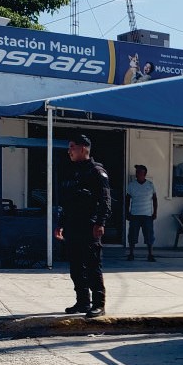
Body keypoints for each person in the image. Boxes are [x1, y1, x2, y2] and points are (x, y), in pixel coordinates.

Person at [55, 135, 112, 317]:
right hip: (73, 225)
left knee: (93, 266)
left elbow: (105, 201)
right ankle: (82, 302)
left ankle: (98, 304)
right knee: (76, 267)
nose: (69, 150)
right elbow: (68, 201)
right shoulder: (71, 171)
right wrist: (61, 224)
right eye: (69, 147)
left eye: (73, 146)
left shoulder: (96, 171)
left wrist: (100, 223)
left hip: (89, 225)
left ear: (84, 149)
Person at [125, 163, 158, 262]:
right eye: (136, 172)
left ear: (144, 174)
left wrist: (155, 212)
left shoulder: (150, 185)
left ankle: (150, 255)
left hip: (147, 215)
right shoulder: (131, 185)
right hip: (135, 215)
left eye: (139, 172)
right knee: (132, 235)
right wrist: (127, 212)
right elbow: (127, 200)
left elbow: (155, 199)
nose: (137, 174)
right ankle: (131, 254)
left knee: (149, 236)